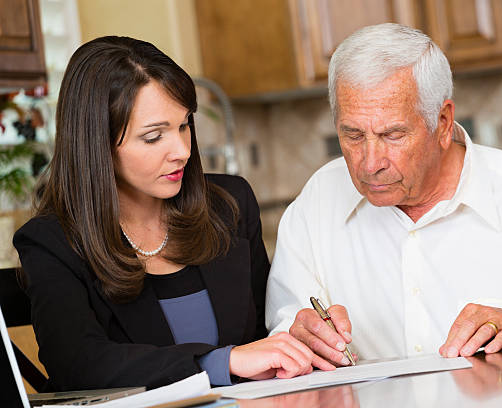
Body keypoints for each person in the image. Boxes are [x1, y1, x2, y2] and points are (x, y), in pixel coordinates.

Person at [266, 23, 502, 366]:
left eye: (393, 135)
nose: (370, 164)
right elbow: (282, 340)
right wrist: (298, 339)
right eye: (353, 135)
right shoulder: (317, 202)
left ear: (444, 122)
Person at [13, 36, 331, 391]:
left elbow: (265, 333)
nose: (181, 150)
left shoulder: (230, 205)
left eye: (184, 126)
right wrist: (219, 363)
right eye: (153, 137)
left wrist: (297, 333)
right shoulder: (51, 242)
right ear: (96, 145)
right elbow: (77, 365)